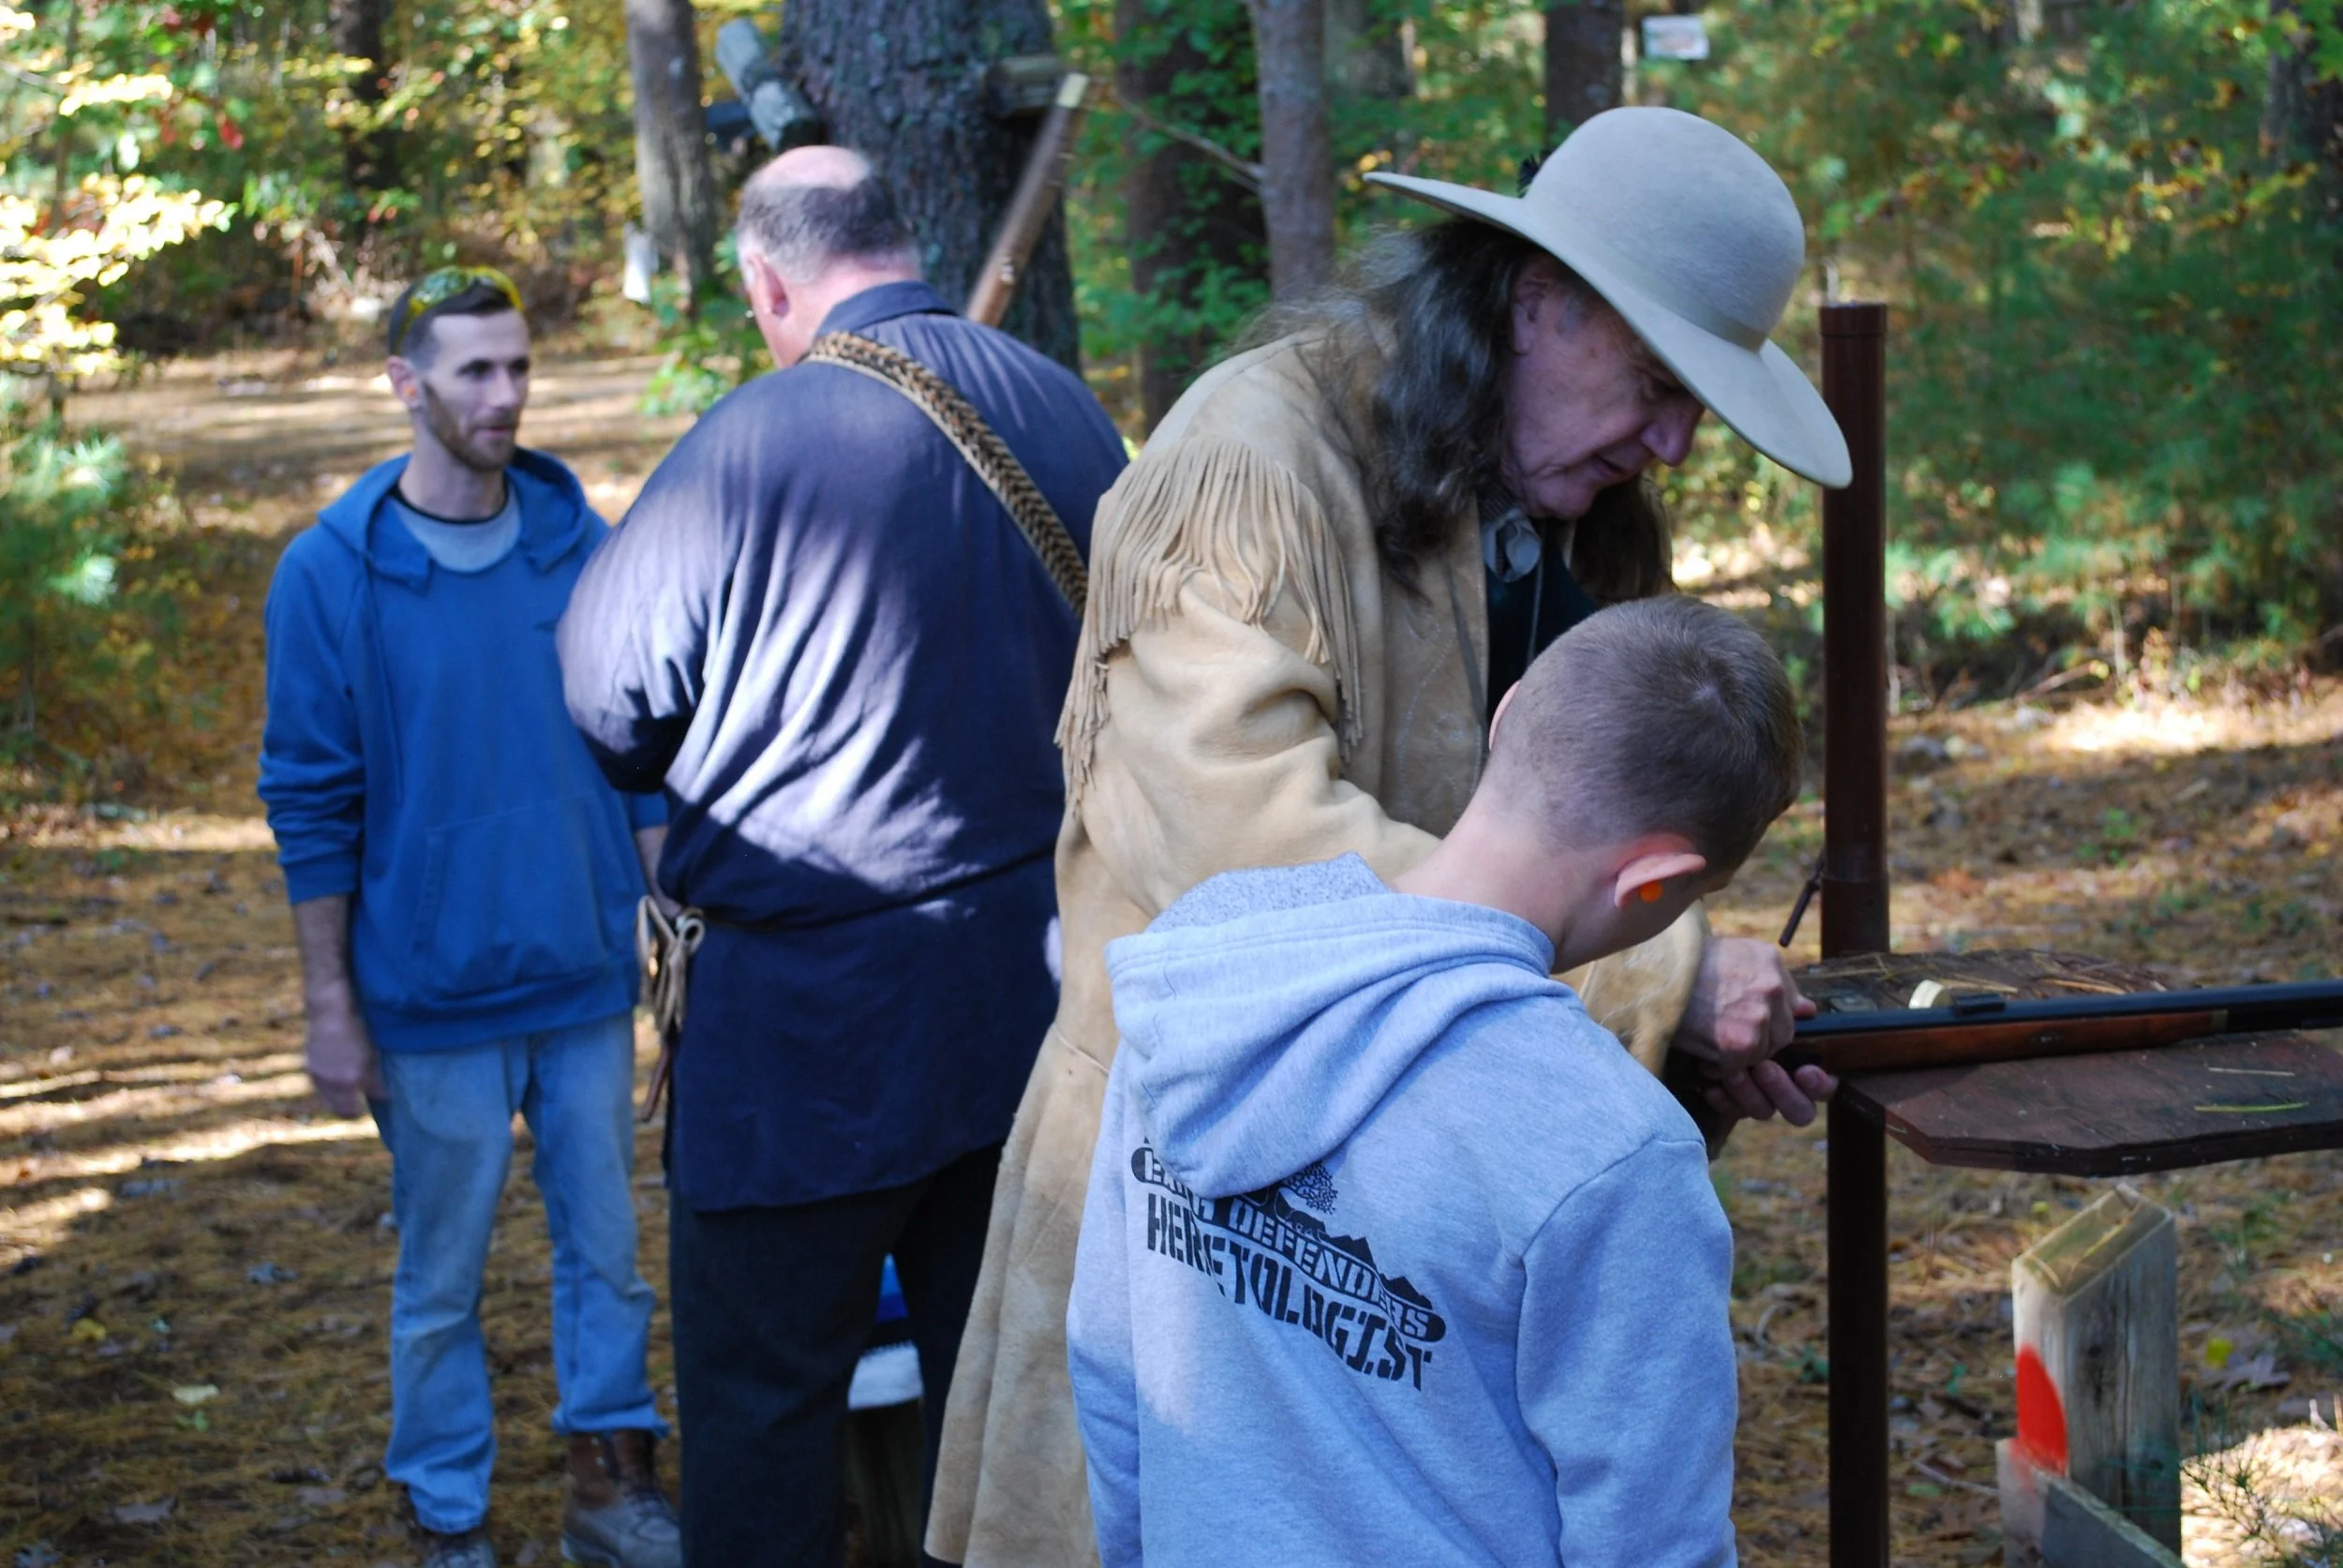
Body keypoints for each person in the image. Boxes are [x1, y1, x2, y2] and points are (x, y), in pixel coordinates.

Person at [930, 106, 1847, 1566]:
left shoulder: (1581, 507)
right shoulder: (1250, 462)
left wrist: (1692, 1026)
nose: (1675, 440)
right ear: (1538, 300)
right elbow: (1239, 850)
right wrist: (1653, 986)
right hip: (1200, 1224)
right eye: (1661, 382)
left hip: (1429, 1229)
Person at [557, 146, 1127, 1566]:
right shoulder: (1066, 410)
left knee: (762, 1423)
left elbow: (608, 702)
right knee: (1006, 1418)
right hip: (1033, 1008)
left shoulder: (748, 443)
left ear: (766, 280)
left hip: (799, 1044)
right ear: (900, 238)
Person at [1068, 595, 1802, 1567]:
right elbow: (1651, 1539)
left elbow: (1112, 1367)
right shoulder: (1612, 1146)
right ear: (1654, 883)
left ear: (1504, 721)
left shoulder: (1194, 968)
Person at [258, 267, 678, 1568]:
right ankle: (448, 1510)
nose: (504, 396)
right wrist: (332, 1004)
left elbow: (642, 750)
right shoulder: (335, 573)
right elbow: (310, 802)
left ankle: (612, 1481)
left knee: (606, 1255)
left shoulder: (578, 540)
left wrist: (669, 917)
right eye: (473, 372)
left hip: (582, 976)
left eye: (517, 368)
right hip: (429, 996)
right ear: (406, 386)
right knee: (439, 1280)